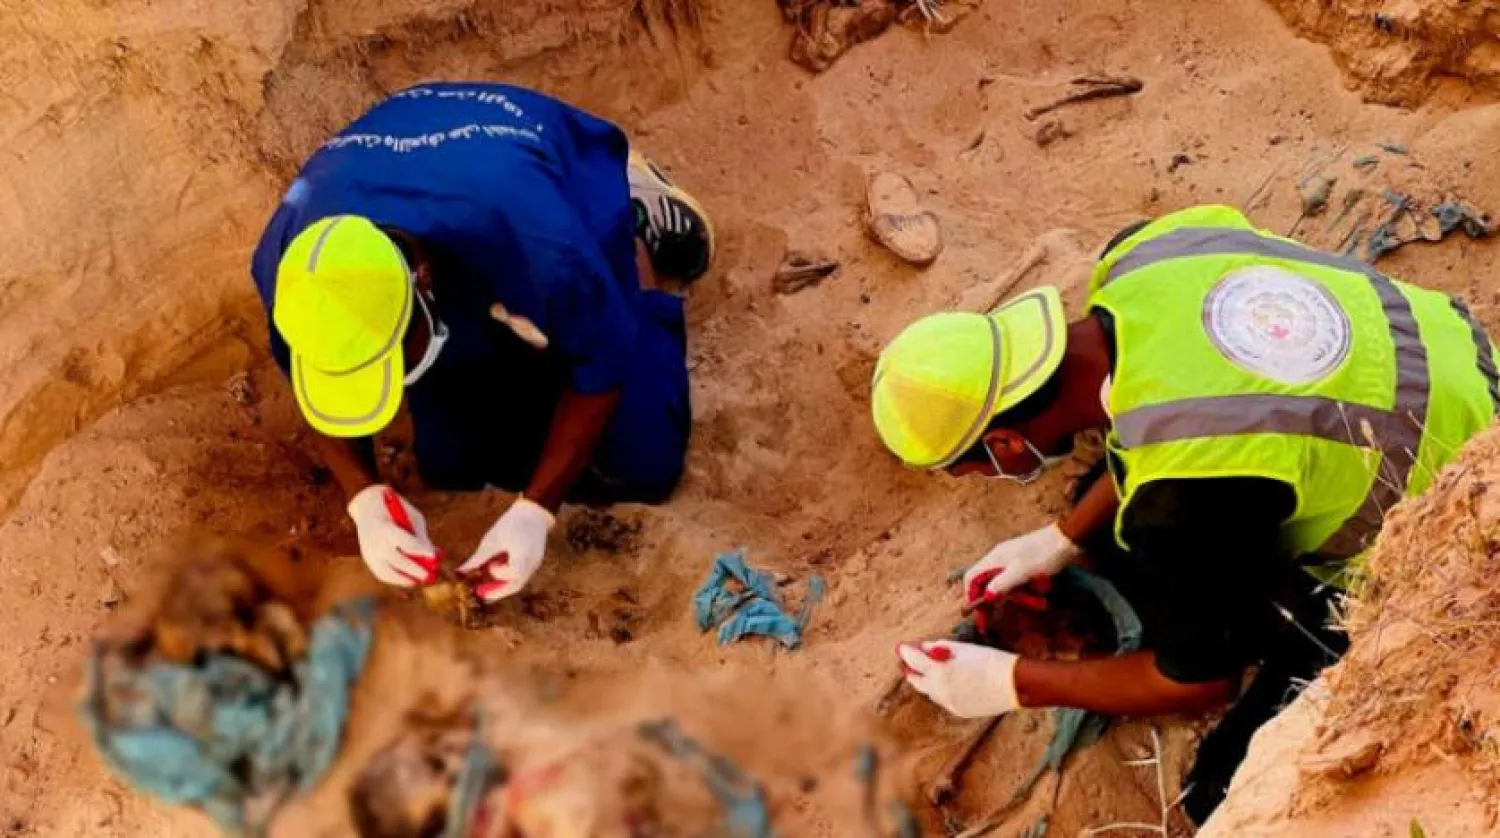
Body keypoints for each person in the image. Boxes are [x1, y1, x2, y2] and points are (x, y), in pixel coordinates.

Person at [870, 204, 1500, 822]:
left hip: (1462, 500)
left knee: (1221, 788)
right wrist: (1060, 537)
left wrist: (1012, 683)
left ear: (1006, 443)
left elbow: (1200, 684)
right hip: (1456, 354)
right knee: (1116, 507)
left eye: (971, 469)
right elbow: (1192, 401)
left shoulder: (1174, 507)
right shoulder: (1140, 252)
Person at [250, 82, 714, 604]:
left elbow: (601, 365)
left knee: (644, 460)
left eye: (390, 361)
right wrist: (365, 498)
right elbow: (314, 377)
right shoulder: (295, 270)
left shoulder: (543, 239)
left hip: (533, 167)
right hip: (418, 178)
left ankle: (634, 226)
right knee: (452, 465)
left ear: (422, 282)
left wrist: (536, 511)